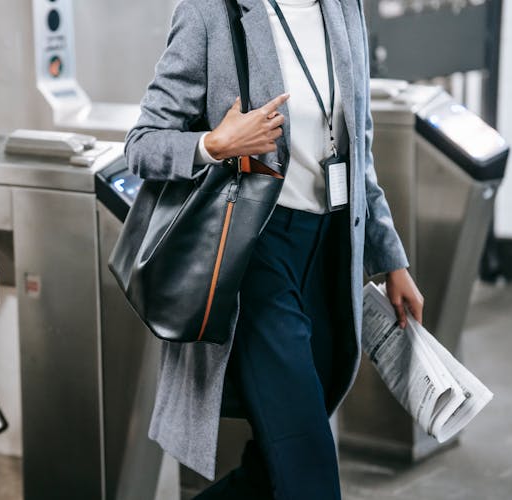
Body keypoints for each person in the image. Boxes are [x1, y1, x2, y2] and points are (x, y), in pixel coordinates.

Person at [124, 0, 424, 497]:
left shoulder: (343, 9)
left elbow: (358, 148)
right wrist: (215, 144)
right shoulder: (210, 14)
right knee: (310, 474)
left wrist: (390, 258)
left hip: (331, 256)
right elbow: (142, 144)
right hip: (257, 256)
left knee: (273, 469)